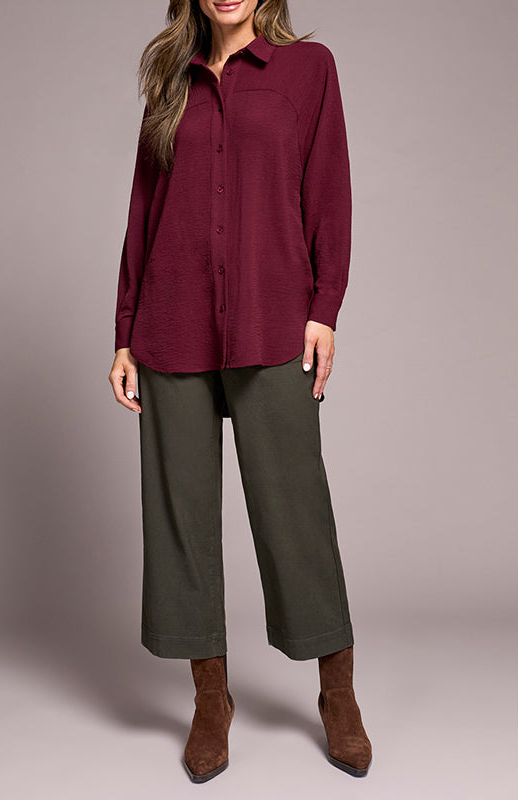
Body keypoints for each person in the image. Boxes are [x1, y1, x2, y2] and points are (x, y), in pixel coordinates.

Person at [108, 0, 371, 782]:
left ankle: (337, 693)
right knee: (181, 517)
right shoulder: (170, 80)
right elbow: (144, 210)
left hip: (271, 318)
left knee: (295, 509)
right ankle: (209, 700)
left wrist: (324, 309)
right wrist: (124, 332)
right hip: (173, 322)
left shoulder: (309, 71)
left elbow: (329, 190)